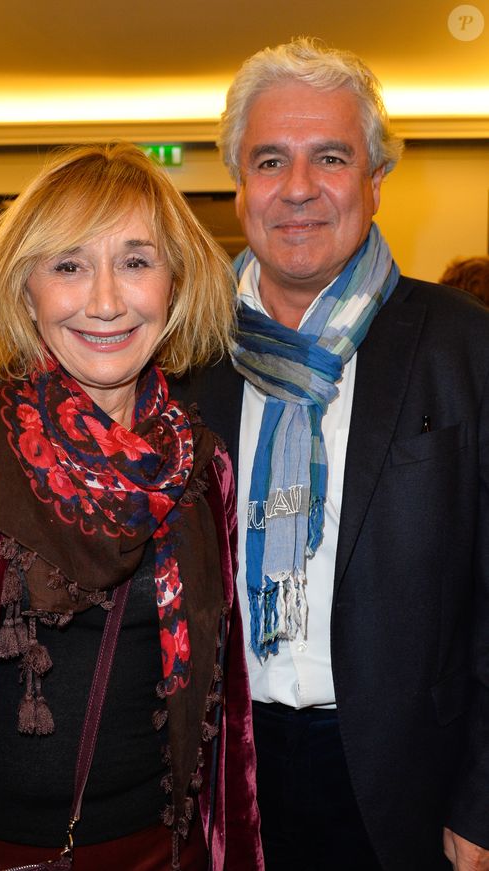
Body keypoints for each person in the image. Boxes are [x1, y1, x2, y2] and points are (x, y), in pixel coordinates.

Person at [172, 37, 489, 871]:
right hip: (223, 772)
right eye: (270, 159)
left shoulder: (464, 346)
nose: (300, 188)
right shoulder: (186, 359)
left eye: (332, 157)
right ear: (239, 185)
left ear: (375, 180)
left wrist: (482, 802)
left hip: (408, 783)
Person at [0, 142, 263, 871]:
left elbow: (227, 714)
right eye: (69, 265)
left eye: (136, 261)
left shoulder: (203, 468)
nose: (105, 300)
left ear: (175, 283)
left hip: (159, 852)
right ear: (25, 289)